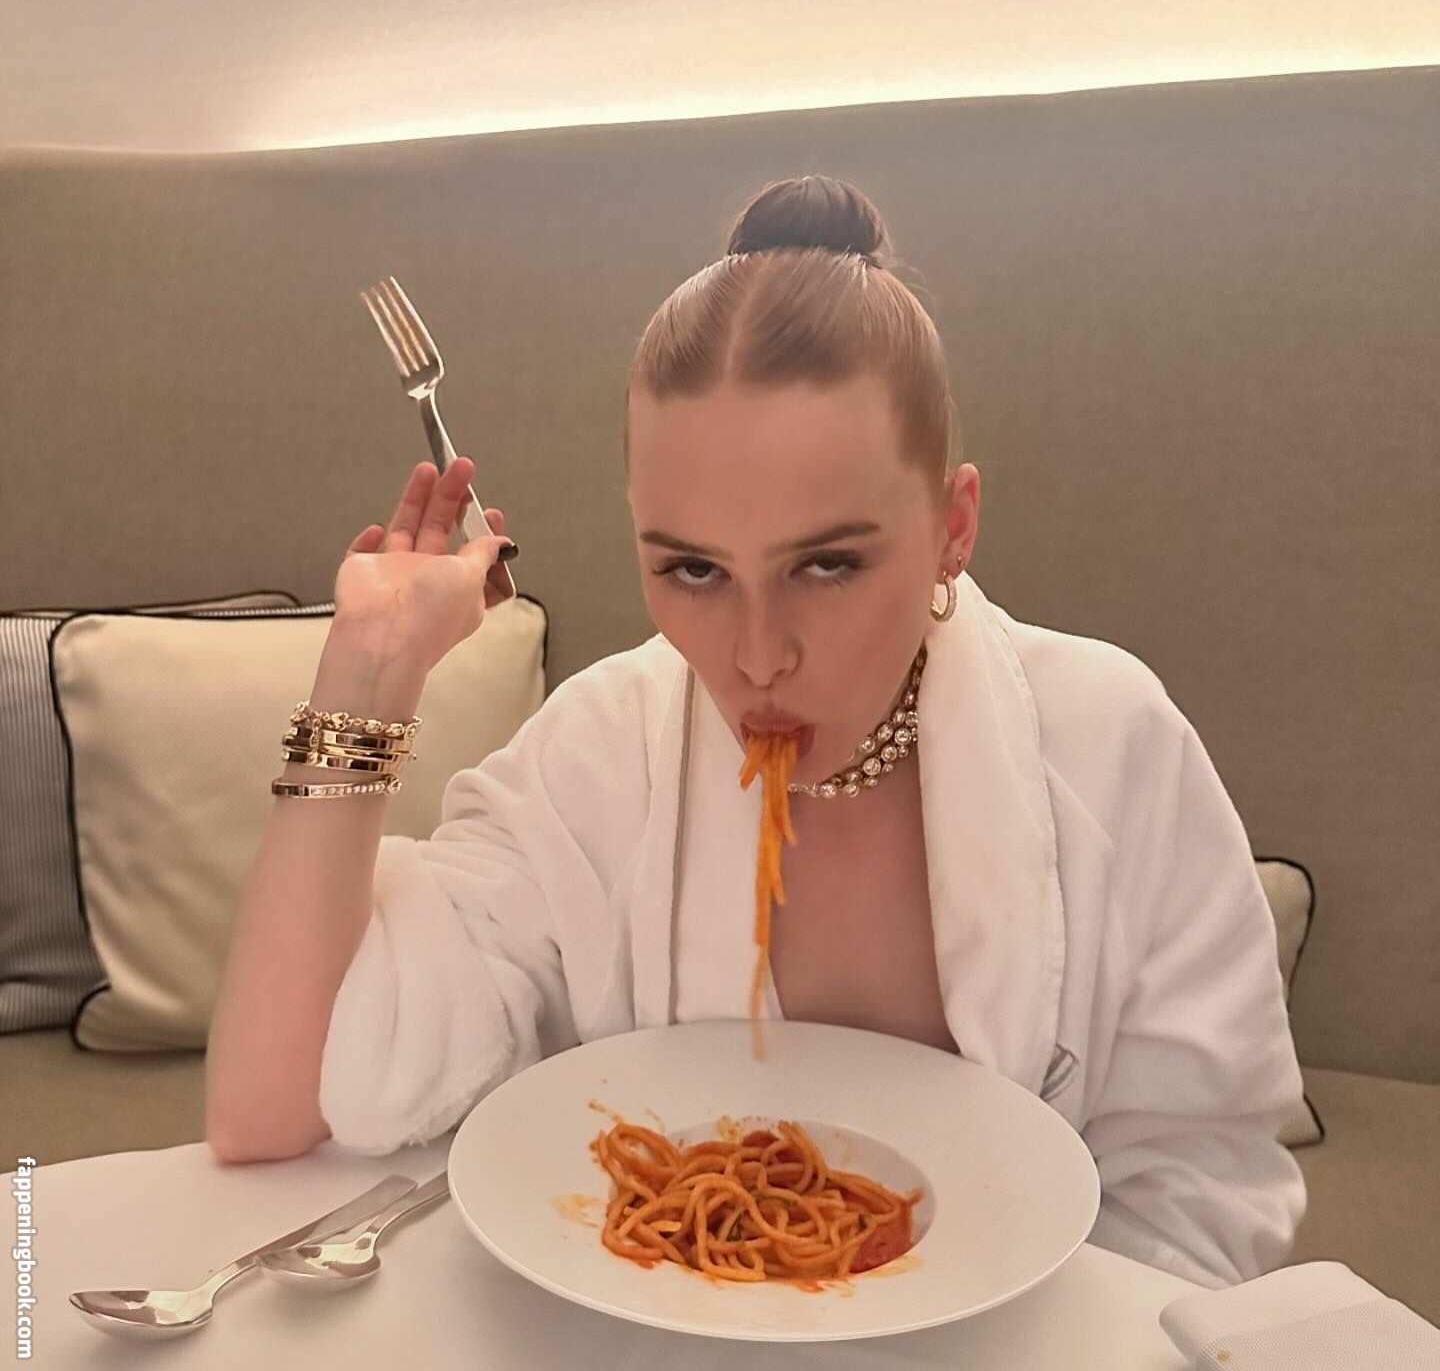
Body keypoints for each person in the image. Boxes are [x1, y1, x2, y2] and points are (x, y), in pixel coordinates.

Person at [206, 175, 1306, 1289]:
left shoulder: (1114, 748)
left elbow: (1198, 1193)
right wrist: (369, 673)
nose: (757, 655)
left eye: (826, 564)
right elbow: (267, 1107)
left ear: (952, 526)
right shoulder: (598, 759)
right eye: (694, 570)